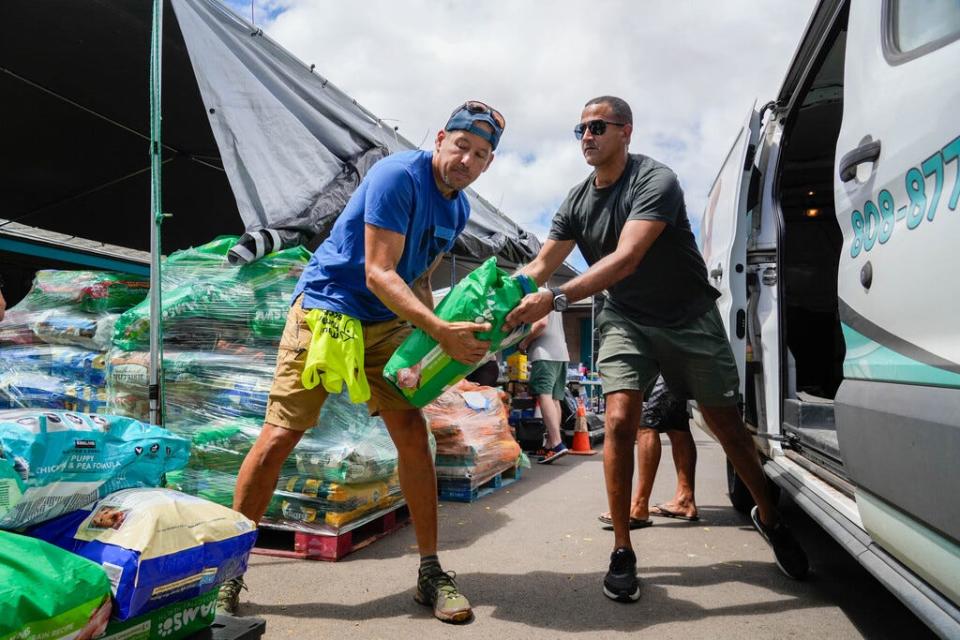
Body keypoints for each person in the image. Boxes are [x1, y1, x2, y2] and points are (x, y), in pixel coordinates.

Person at [504, 95, 808, 603]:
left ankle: (771, 516)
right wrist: (494, 295)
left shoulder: (655, 180)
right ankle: (623, 548)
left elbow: (625, 259)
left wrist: (555, 298)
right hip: (627, 319)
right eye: (579, 130)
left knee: (727, 428)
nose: (587, 136)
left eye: (598, 127)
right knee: (622, 420)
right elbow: (537, 267)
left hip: (690, 316)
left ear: (626, 131)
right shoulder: (575, 203)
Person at [221, 100, 506, 624]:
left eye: (481, 154)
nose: (467, 159)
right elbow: (378, 271)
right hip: (329, 307)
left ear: (487, 164)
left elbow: (415, 274)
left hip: (387, 322)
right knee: (281, 435)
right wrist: (438, 330)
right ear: (440, 138)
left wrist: (423, 349)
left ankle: (430, 571)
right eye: (462, 145)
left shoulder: (459, 208)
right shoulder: (397, 175)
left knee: (412, 432)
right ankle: (226, 573)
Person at [598, 375, 698, 530]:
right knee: (677, 424)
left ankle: (639, 505)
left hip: (666, 362)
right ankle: (685, 499)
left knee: (646, 422)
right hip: (676, 362)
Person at [518, 311, 570, 463]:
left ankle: (556, 443)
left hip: (544, 354)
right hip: (561, 354)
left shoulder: (539, 294)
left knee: (544, 395)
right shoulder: (552, 296)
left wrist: (525, 342)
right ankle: (550, 445)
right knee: (555, 399)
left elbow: (541, 323)